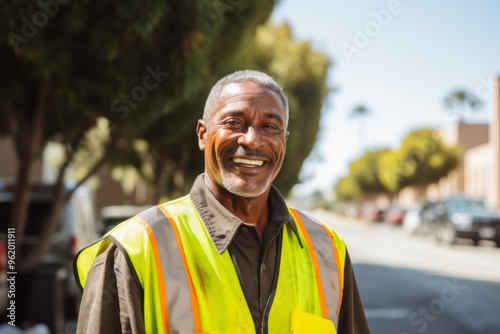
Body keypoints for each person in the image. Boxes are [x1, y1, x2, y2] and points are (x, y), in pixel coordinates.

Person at [74, 70, 370, 334]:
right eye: (235, 122)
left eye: (270, 127)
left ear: (285, 141)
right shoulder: (135, 249)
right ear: (203, 134)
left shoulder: (328, 250)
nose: (253, 139)